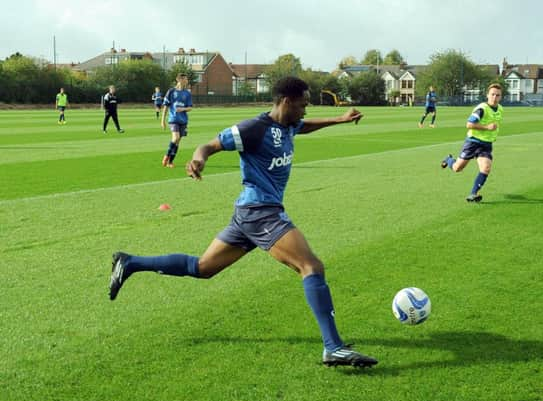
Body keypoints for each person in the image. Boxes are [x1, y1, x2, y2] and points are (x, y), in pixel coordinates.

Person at [109, 76, 378, 368]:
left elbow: (306, 126)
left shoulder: (288, 124)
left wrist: (340, 119)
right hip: (261, 212)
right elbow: (209, 145)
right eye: (303, 104)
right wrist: (199, 160)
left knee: (202, 268)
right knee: (311, 267)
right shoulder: (253, 129)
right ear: (286, 102)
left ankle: (130, 262)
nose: (305, 110)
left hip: (247, 214)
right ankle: (333, 347)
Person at [440, 83, 504, 203]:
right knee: (457, 168)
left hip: (486, 145)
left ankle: (473, 194)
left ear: (501, 97)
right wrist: (487, 127)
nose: (495, 97)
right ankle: (448, 159)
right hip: (473, 142)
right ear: (487, 95)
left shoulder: (500, 109)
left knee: (486, 168)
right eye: (492, 94)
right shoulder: (482, 109)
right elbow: (469, 124)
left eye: (497, 95)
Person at [161, 74, 193, 168]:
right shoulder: (171, 91)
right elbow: (166, 106)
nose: (187, 81)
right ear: (179, 79)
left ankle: (170, 162)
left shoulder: (187, 93)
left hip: (183, 120)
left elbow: (190, 108)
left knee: (178, 141)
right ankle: (166, 156)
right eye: (185, 79)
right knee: (175, 138)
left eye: (187, 79)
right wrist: (162, 121)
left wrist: (182, 109)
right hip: (173, 119)